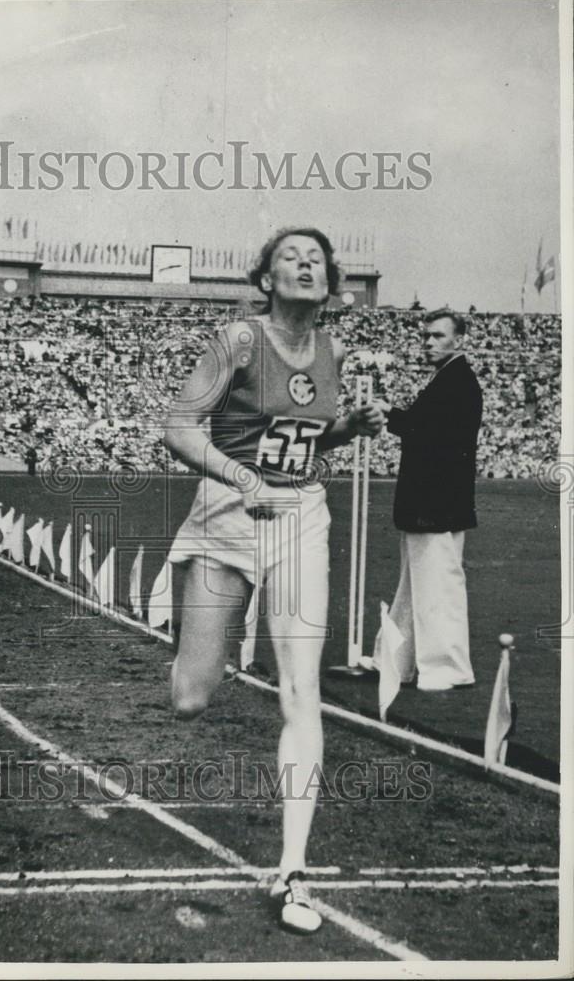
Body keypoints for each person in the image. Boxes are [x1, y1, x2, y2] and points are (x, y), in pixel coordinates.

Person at [164, 228, 384, 933]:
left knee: (302, 690)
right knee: (191, 696)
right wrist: (240, 476)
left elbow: (306, 436)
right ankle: (194, 650)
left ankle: (293, 873)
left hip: (299, 516)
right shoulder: (237, 341)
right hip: (226, 515)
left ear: (331, 280)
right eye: (291, 256)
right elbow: (178, 427)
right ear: (265, 276)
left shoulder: (334, 350)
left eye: (316, 258)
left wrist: (347, 427)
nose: (305, 264)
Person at [373, 310, 482, 691]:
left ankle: (447, 667)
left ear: (459, 340)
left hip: (435, 502)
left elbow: (427, 433)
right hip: (436, 501)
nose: (429, 343)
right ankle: (397, 660)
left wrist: (392, 415)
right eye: (426, 336)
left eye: (437, 336)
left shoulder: (457, 382)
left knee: (436, 585)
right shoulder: (449, 380)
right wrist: (396, 416)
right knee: (418, 583)